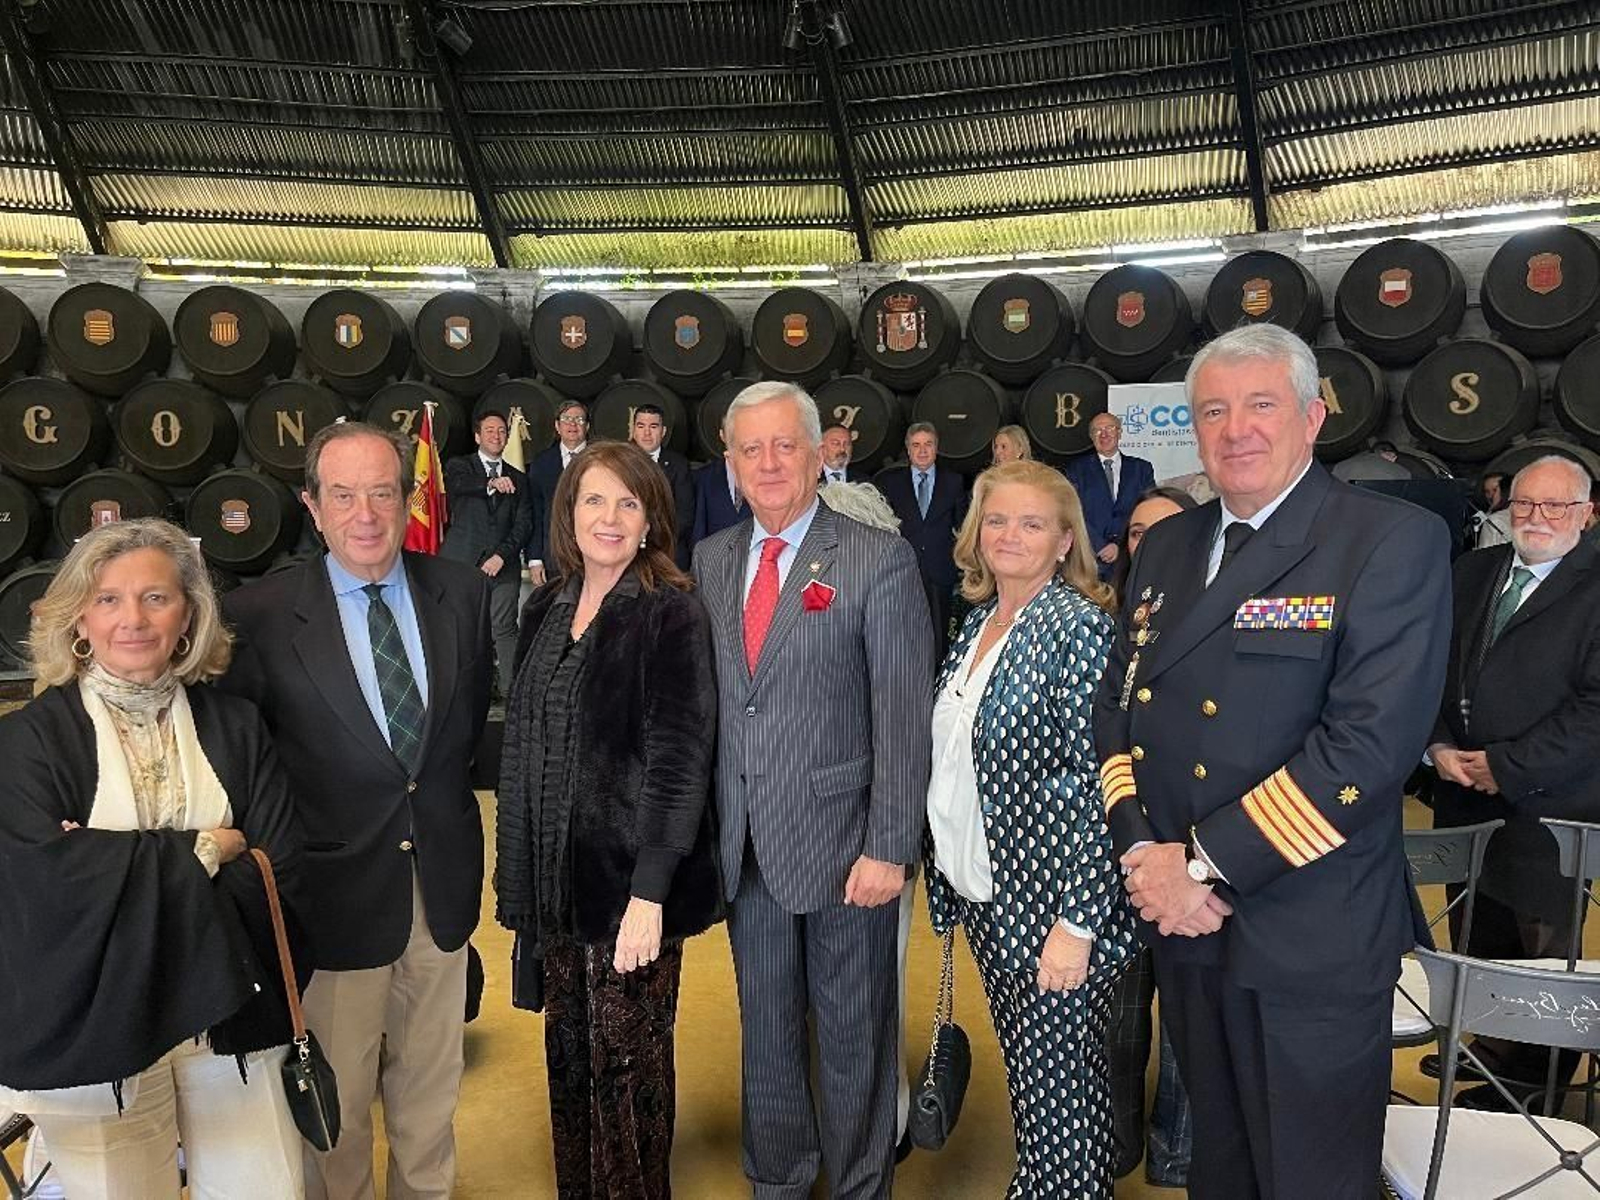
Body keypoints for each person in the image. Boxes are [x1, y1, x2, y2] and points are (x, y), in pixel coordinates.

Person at [1095, 323, 1451, 1199]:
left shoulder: (1384, 540)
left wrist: (1199, 868)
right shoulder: (1169, 546)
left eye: (1261, 405)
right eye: (1213, 411)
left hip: (1307, 934)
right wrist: (1142, 853)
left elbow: (1366, 750)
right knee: (1219, 1167)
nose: (1236, 430)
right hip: (1186, 929)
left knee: (1308, 1178)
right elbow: (1120, 709)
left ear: (1312, 418)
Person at [218, 421, 493, 1200]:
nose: (365, 514)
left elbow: (462, 735)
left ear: (408, 499)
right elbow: (247, 769)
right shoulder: (259, 617)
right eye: (343, 495)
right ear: (312, 506)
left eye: (381, 492)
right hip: (331, 903)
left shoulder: (462, 593)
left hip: (440, 891)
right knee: (333, 1112)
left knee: (430, 1094)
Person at [0, 518, 306, 1198]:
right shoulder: (29, 742)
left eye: (156, 598)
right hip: (98, 1029)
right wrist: (207, 849)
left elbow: (279, 870)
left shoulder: (237, 726)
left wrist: (107, 863)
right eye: (108, 599)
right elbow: (44, 888)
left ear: (188, 616)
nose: (133, 619)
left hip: (234, 1015)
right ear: (79, 617)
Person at [692, 381, 934, 1198]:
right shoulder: (713, 559)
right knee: (766, 1037)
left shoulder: (876, 558)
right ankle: (779, 1182)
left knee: (854, 1039)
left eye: (784, 445)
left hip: (848, 854)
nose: (768, 463)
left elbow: (902, 715)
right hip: (748, 849)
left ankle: (862, 1184)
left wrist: (889, 847)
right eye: (750, 449)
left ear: (817, 453)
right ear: (731, 463)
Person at [496, 441, 723, 1198]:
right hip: (557, 887)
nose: (611, 517)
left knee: (628, 1078)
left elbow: (681, 759)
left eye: (629, 502)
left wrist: (650, 894)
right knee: (569, 1063)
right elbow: (527, 742)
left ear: (651, 519)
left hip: (629, 891)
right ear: (569, 512)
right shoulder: (545, 605)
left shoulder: (671, 611)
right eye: (594, 499)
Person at [924, 460, 1136, 1198]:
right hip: (989, 899)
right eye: (997, 519)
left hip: (1054, 914)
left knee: (1063, 1101)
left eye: (1032, 523)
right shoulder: (978, 623)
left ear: (1065, 540)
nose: (1009, 535)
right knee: (1035, 1088)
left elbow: (1105, 788)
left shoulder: (1080, 631)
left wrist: (1078, 924)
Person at [1425, 455, 1600, 1109]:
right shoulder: (1472, 572)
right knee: (1477, 935)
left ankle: (1535, 1092)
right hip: (1462, 797)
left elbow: (1594, 711)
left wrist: (1505, 765)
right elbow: (1429, 666)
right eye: (1524, 503)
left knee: (1542, 956)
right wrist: (1438, 745)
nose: (1537, 517)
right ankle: (1491, 1053)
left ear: (1587, 514)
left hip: (1550, 808)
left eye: (1556, 506)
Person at [817, 479, 920, 1159]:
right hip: (812, 835)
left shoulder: (889, 584)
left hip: (877, 839)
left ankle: (883, 1129)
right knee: (839, 1002)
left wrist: (891, 845)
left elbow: (902, 731)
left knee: (872, 998)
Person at [1101, 484, 1198, 1185]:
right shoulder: (1103, 617)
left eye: (1165, 531)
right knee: (1119, 1020)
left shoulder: (1221, 609)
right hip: (1121, 848)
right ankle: (1115, 1146)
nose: (1150, 545)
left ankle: (1177, 1153)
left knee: (1190, 1025)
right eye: (1138, 533)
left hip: (1201, 859)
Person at [441, 410, 533, 698]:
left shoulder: (519, 478)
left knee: (504, 628)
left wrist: (501, 556)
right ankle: (462, 693)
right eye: (490, 430)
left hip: (502, 566)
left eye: (502, 431)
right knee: (461, 627)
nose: (496, 435)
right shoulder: (460, 467)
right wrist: (490, 483)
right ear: (478, 436)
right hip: (461, 563)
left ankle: (512, 696)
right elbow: (458, 485)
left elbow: (524, 525)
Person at [877, 422, 969, 657]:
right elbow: (884, 528)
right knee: (903, 637)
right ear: (908, 450)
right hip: (903, 571)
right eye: (916, 445)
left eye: (928, 444)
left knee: (939, 640)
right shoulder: (891, 483)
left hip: (941, 571)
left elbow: (963, 528)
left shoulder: (954, 482)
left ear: (936, 448)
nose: (922, 450)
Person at [1065, 413, 1156, 582]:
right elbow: (1072, 511)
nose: (1104, 434)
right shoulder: (1076, 470)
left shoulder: (1141, 469)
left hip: (1130, 559)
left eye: (1110, 428)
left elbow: (1148, 510)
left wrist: (1120, 544)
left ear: (1120, 433)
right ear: (1091, 437)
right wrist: (1100, 546)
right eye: (1097, 430)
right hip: (1091, 561)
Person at [527, 400, 591, 586]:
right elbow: (536, 512)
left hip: (594, 555)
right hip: (554, 557)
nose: (573, 424)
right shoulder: (542, 462)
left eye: (579, 419)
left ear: (587, 427)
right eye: (566, 419)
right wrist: (535, 559)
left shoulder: (602, 460)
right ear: (557, 426)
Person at [630, 403, 696, 567]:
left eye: (653, 426)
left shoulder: (679, 465)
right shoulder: (620, 463)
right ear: (633, 430)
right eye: (641, 426)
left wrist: (653, 539)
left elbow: (685, 516)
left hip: (668, 552)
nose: (647, 433)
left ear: (663, 431)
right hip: (628, 550)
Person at [1108, 486, 1196, 602]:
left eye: (1167, 530)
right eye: (1139, 533)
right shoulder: (1107, 609)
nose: (1150, 542)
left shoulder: (1216, 605)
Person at [1476, 469, 1513, 549]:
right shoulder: (1484, 516)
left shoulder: (1494, 521)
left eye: (1495, 490)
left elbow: (1484, 553)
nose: (1491, 496)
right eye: (1487, 491)